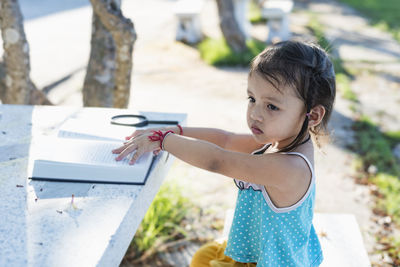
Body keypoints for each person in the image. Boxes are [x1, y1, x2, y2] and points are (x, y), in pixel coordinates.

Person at [112, 40, 336, 266]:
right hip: (258, 251)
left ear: (313, 115)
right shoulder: (278, 141)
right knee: (204, 257)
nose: (255, 114)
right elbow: (226, 139)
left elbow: (217, 160)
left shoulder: (291, 169)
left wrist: (164, 141)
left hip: (273, 262)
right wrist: (176, 130)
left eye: (272, 107)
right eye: (252, 99)